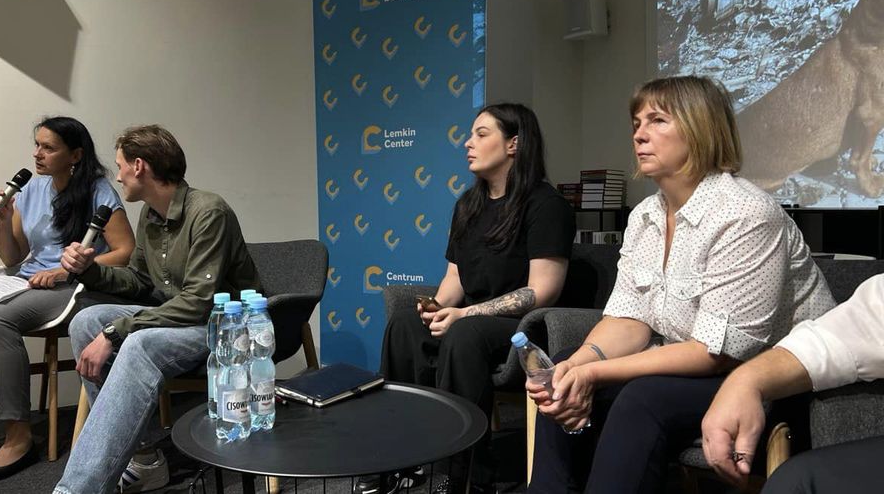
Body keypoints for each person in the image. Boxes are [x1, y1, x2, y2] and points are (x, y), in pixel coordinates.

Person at [526, 76, 836, 493]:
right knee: (562, 368)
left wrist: (594, 373)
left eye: (657, 120)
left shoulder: (746, 213)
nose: (639, 134)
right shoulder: (644, 216)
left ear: (700, 128)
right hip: (689, 366)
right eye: (637, 123)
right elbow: (628, 319)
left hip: (773, 379)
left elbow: (716, 352)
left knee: (643, 398)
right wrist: (576, 367)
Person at [366, 103, 575, 494]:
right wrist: (436, 308)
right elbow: (454, 279)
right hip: (472, 319)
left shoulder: (546, 205)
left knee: (466, 333)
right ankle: (399, 455)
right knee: (404, 325)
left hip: (523, 329)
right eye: (470, 134)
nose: (468, 143)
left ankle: (465, 474)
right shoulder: (468, 205)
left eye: (481, 134)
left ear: (514, 144)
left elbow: (541, 290)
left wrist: (463, 315)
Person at [53, 125, 261, 494]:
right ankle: (144, 458)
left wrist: (119, 329)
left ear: (139, 166)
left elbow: (198, 302)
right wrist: (90, 269)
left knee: (137, 342)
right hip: (178, 320)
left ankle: (76, 490)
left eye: (120, 166)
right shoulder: (150, 215)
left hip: (224, 326)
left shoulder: (209, 211)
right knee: (86, 321)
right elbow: (139, 281)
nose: (117, 176)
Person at [0, 117, 134, 485]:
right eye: (37, 145)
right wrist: (3, 221)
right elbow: (13, 257)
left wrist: (67, 270)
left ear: (75, 155)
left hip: (74, 288)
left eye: (48, 148)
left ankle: (18, 437)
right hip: (27, 281)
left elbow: (124, 252)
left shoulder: (99, 190)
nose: (37, 154)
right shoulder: (31, 189)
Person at [702, 274, 884, 493]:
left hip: (720, 362)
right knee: (795, 482)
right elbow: (862, 325)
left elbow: (711, 352)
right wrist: (745, 381)